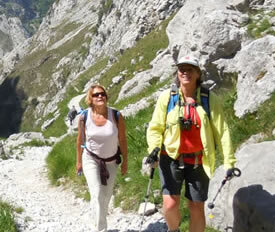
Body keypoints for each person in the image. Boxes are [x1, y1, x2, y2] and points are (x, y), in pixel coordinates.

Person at [144, 54, 236, 232]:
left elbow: (222, 131)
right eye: (182, 69)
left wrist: (229, 161)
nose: (185, 72)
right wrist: (154, 148)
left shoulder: (210, 99)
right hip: (169, 158)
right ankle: (174, 230)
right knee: (170, 205)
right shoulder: (167, 97)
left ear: (198, 73)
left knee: (196, 207)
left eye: (190, 69)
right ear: (177, 73)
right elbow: (155, 127)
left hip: (198, 161)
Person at [76, 84, 128, 232]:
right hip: (91, 159)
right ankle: (100, 229)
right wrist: (79, 162)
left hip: (111, 161)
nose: (100, 97)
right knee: (97, 192)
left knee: (106, 196)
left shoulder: (116, 116)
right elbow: (80, 141)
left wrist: (125, 162)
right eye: (96, 95)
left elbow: (123, 139)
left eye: (102, 94)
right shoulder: (84, 117)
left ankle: (97, 220)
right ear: (90, 99)